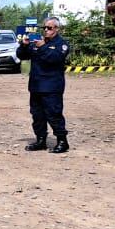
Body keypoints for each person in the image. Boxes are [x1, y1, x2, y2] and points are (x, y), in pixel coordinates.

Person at [17, 16, 71, 153]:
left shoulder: (61, 44)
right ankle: (41, 140)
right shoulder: (37, 42)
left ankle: (62, 141)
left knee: (54, 114)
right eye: (44, 28)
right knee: (37, 115)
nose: (46, 30)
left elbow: (55, 58)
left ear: (57, 29)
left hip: (52, 87)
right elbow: (22, 56)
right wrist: (24, 45)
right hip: (36, 86)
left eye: (49, 28)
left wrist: (42, 48)